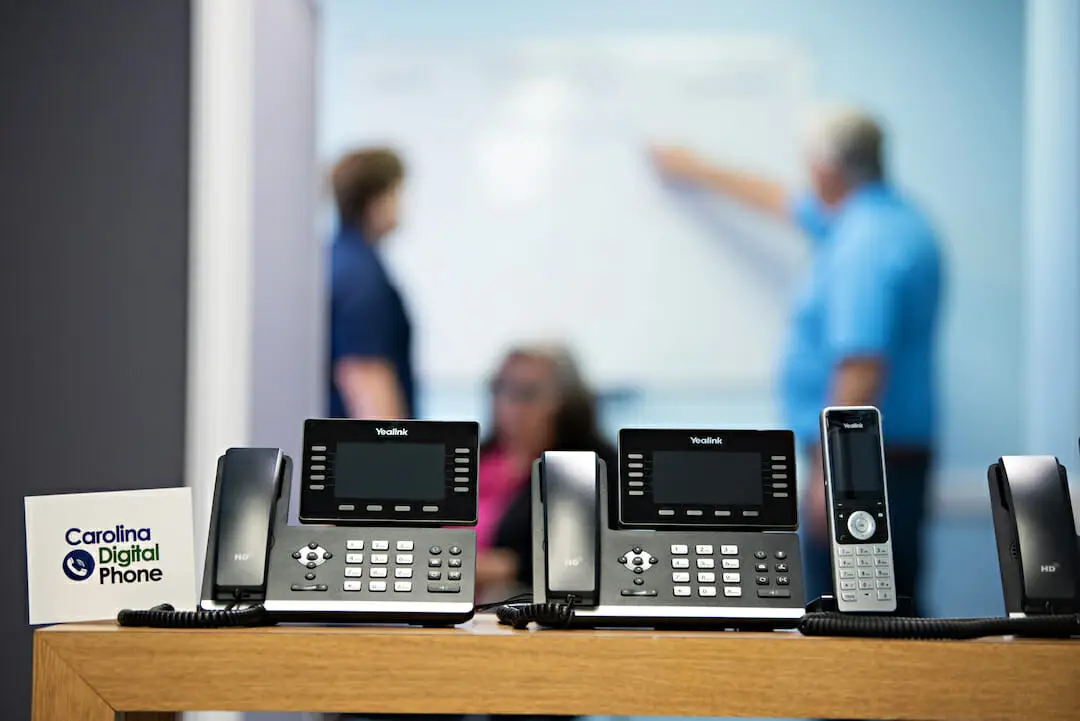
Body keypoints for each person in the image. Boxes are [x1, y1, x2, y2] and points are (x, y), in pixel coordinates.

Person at [650, 105, 944, 617]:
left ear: (828, 166)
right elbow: (778, 200)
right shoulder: (881, 218)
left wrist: (830, 476)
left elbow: (861, 366)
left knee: (862, 623)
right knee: (890, 611)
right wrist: (693, 167)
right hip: (887, 458)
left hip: (863, 469)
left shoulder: (863, 245)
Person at [475, 343, 617, 600]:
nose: (510, 404)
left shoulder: (588, 466)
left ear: (565, 401)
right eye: (501, 388)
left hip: (512, 604)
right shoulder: (476, 455)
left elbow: (576, 559)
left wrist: (459, 567)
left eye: (527, 393)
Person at [328, 147, 415, 420]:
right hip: (367, 452)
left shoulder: (338, 259)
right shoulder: (361, 276)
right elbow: (365, 375)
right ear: (377, 201)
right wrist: (395, 457)